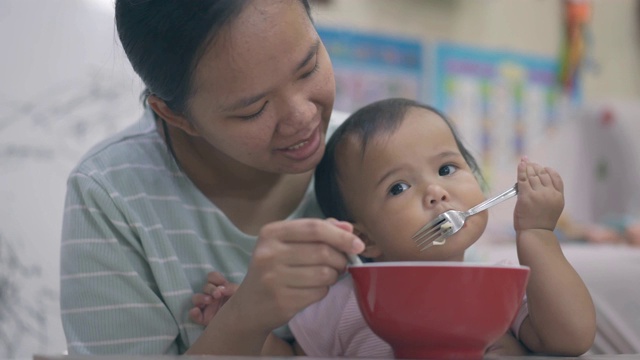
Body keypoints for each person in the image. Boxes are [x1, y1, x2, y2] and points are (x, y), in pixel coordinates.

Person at [59, 0, 365, 355]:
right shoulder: (110, 194)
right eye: (254, 109)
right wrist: (242, 320)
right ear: (177, 117)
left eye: (308, 67)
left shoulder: (372, 157)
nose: (302, 116)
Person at [191, 98, 597, 357]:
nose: (436, 191)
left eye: (447, 168)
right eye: (399, 187)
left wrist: (538, 234)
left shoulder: (501, 284)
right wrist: (244, 323)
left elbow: (571, 338)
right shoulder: (342, 299)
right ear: (365, 238)